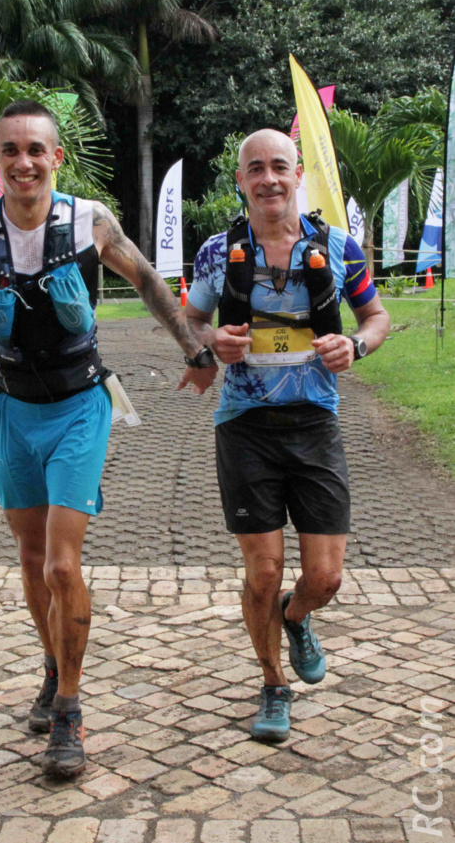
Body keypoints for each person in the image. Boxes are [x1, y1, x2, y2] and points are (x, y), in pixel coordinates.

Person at [0, 100, 217, 778]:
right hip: (13, 413)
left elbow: (147, 280)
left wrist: (194, 348)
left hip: (79, 408)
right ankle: (52, 662)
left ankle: (68, 708)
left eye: (36, 149)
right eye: (11, 150)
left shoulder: (89, 222)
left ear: (55, 158)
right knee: (32, 561)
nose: (24, 162)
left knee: (63, 566)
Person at [180, 128, 390, 742]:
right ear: (240, 180)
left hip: (315, 423)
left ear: (298, 174)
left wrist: (356, 346)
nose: (268, 179)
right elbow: (190, 319)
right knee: (264, 571)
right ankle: (273, 684)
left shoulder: (339, 248)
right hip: (244, 427)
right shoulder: (218, 253)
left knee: (324, 578)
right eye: (256, 169)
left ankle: (296, 619)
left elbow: (375, 317)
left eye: (279, 166)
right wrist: (210, 342)